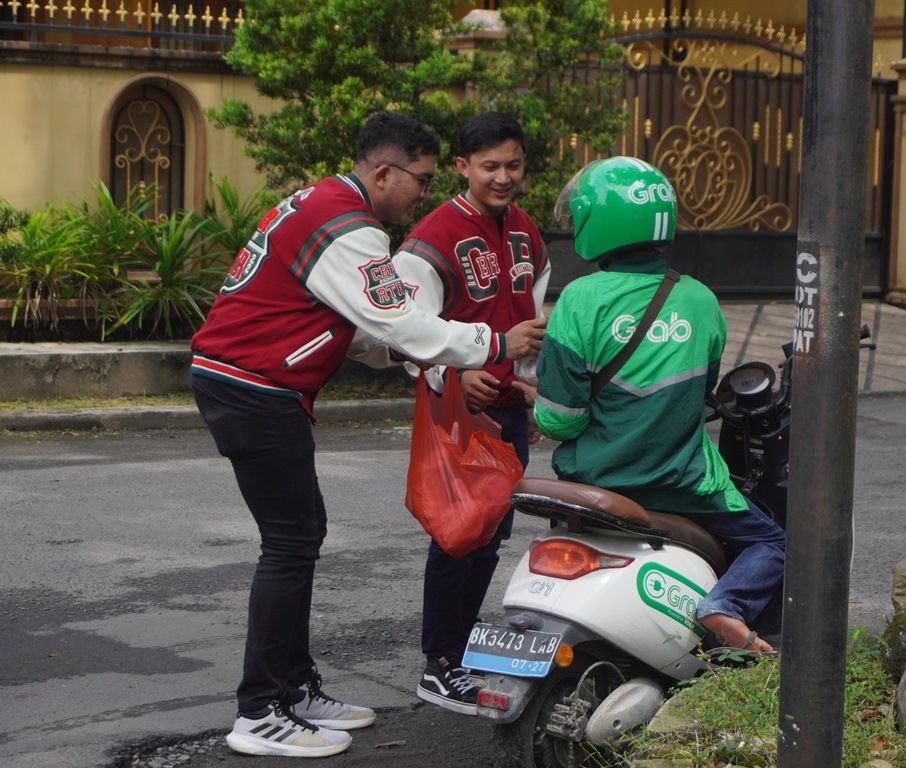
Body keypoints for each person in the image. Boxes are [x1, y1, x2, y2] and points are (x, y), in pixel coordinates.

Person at [190, 110, 546, 758]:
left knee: (301, 537)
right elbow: (406, 323)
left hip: (252, 383)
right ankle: (261, 709)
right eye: (420, 179)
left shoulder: (332, 209)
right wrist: (489, 342)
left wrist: (417, 353)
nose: (423, 192)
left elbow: (365, 332)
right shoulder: (347, 228)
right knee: (291, 543)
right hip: (253, 387)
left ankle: (294, 689)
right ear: (383, 172)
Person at [528, 156, 785, 654]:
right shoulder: (701, 301)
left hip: (596, 482)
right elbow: (703, 392)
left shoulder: (579, 301)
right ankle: (724, 605)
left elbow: (560, 419)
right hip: (684, 486)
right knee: (770, 542)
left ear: (595, 222)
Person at [393, 111, 551, 714]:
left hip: (508, 406)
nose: (503, 177)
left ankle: (459, 649)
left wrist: (528, 387)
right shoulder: (431, 239)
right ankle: (439, 662)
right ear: (462, 168)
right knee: (459, 533)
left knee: (490, 533)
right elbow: (405, 333)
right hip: (457, 410)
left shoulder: (525, 232)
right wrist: (453, 373)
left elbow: (532, 324)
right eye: (490, 167)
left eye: (513, 165)